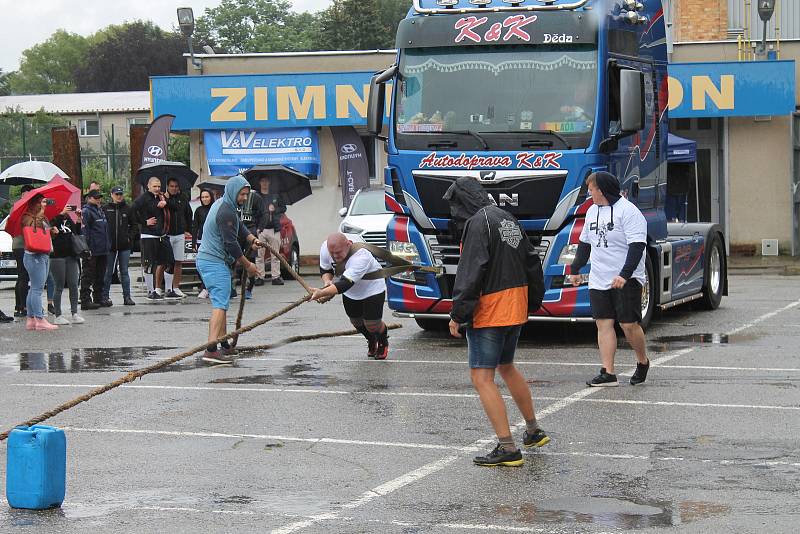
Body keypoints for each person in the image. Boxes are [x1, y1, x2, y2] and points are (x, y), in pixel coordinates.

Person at [445, 177, 548, 467]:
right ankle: (533, 430)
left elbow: (470, 271)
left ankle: (507, 447)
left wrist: (458, 314)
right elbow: (531, 259)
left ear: (463, 201)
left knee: (482, 377)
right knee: (507, 366)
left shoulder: (477, 223)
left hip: (490, 308)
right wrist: (533, 299)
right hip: (515, 304)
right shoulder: (506, 217)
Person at [567, 171, 651, 387]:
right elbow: (585, 243)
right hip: (599, 277)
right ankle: (608, 372)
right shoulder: (592, 211)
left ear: (601, 190)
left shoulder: (629, 212)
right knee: (603, 323)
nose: (589, 193)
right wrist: (575, 268)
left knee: (628, 324)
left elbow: (637, 246)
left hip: (626, 277)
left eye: (591, 189)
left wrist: (624, 274)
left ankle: (642, 361)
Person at [196, 175, 264, 365]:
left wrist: (251, 239)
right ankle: (211, 349)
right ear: (234, 192)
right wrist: (248, 264)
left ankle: (224, 343)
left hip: (214, 261)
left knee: (223, 301)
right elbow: (231, 243)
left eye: (246, 194)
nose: (244, 198)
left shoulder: (227, 205)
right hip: (212, 261)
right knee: (219, 304)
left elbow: (240, 226)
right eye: (242, 194)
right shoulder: (225, 211)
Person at [310, 233, 390, 360]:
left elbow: (344, 284)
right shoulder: (326, 247)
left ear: (348, 244)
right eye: (333, 254)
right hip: (352, 291)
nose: (335, 256)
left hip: (372, 288)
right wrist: (327, 282)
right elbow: (325, 269)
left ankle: (382, 340)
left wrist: (322, 292)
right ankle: (371, 339)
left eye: (338, 252)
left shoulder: (361, 255)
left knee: (372, 324)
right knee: (356, 322)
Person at [20, 195, 58, 330]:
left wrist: (52, 232)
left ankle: (31, 320)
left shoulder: (44, 217)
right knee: (37, 289)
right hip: (34, 256)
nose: (45, 204)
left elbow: (42, 234)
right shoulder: (27, 216)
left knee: (34, 288)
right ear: (35, 203)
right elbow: (33, 228)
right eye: (42, 202)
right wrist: (41, 212)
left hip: (43, 254)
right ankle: (40, 319)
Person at [133, 177, 173, 301]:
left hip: (161, 235)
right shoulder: (143, 198)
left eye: (159, 186)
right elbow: (132, 211)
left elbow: (173, 209)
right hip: (148, 236)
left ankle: (168, 290)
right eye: (154, 186)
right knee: (149, 264)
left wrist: (165, 202)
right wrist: (144, 222)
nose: (157, 189)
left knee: (170, 261)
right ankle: (151, 291)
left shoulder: (161, 197)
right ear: (148, 186)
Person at [49, 205, 85, 325]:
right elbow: (50, 229)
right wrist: (61, 214)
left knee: (74, 284)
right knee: (59, 286)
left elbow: (77, 234)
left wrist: (79, 220)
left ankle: (74, 313)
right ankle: (58, 315)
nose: (68, 209)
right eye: (66, 207)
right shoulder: (53, 219)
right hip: (57, 256)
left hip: (71, 255)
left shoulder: (69, 220)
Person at [102, 186, 136, 306]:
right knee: (108, 271)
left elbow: (134, 225)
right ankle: (104, 297)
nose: (119, 196)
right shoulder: (105, 208)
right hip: (109, 245)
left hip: (124, 245)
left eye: (120, 194)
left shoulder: (128, 208)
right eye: (116, 194)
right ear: (111, 195)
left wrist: (129, 237)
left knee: (124, 272)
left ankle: (127, 297)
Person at [80, 190, 112, 308]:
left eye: (99, 197)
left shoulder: (100, 211)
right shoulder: (87, 211)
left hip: (102, 249)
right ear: (89, 198)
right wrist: (87, 248)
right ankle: (85, 300)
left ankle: (98, 298)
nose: (98, 199)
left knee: (100, 275)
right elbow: (85, 231)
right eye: (96, 197)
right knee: (88, 275)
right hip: (92, 249)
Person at [163, 178, 193, 299]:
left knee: (178, 261)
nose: (174, 188)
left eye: (176, 186)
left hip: (179, 234)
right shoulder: (162, 198)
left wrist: (187, 230)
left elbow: (188, 214)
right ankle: (162, 288)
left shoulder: (183, 198)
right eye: (171, 186)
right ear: (167, 187)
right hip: (166, 234)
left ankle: (176, 287)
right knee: (164, 263)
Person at [237, 187, 266, 300]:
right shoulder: (233, 198)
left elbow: (264, 213)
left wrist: (260, 228)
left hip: (251, 230)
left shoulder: (255, 197)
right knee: (237, 259)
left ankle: (250, 288)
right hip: (237, 231)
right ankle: (239, 286)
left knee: (251, 260)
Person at [256, 176, 285, 286]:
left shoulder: (275, 196)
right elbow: (254, 211)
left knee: (275, 255)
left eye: (266, 181)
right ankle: (260, 277)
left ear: (269, 183)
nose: (264, 183)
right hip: (261, 229)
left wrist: (275, 209)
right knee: (259, 255)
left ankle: (276, 276)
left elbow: (283, 208)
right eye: (262, 181)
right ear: (259, 183)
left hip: (274, 229)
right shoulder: (256, 196)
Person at [12, 184, 35, 317]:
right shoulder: (19, 207)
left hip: (24, 245)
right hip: (21, 245)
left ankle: (19, 306)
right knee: (23, 276)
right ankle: (22, 306)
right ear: (24, 194)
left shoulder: (26, 207)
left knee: (22, 276)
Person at [192, 188, 214, 299]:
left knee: (211, 266)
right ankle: (205, 286)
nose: (205, 199)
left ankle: (208, 288)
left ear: (211, 197)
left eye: (207, 197)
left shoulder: (215, 209)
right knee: (200, 266)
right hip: (201, 240)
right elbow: (195, 226)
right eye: (203, 197)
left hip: (213, 241)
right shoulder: (198, 210)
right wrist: (193, 242)